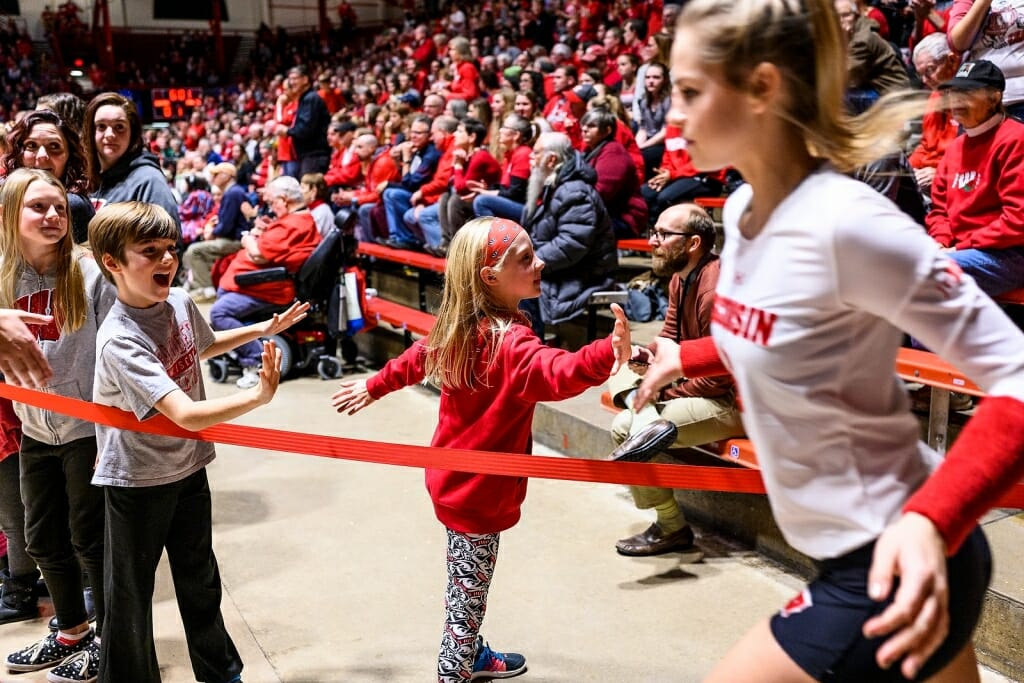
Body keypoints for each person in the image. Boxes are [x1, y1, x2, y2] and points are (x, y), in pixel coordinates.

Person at [631, 0, 1024, 680]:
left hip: (900, 553)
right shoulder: (741, 211)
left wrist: (933, 520)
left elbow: (1017, 377)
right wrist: (684, 353)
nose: (674, 116)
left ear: (762, 87)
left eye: (691, 91)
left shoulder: (850, 223)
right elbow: (775, 324)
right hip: (867, 551)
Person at [330, 216, 633, 682]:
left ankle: (469, 652)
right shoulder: (509, 341)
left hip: (453, 481)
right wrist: (606, 353)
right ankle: (457, 666)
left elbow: (416, 357)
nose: (541, 263)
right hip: (478, 491)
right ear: (490, 277)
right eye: (526, 259)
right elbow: (556, 372)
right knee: (467, 593)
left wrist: (375, 386)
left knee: (465, 582)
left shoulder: (461, 325)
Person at [87, 201, 308, 683]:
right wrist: (257, 396)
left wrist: (261, 329)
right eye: (149, 251)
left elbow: (201, 345)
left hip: (189, 467)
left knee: (201, 580)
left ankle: (222, 673)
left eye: (171, 248)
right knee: (129, 596)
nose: (167, 260)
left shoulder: (181, 302)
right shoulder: (120, 339)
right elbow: (184, 414)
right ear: (112, 263)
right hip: (137, 481)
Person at [0, 168, 113, 682]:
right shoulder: (3, 277)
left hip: (87, 428)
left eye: (60, 209)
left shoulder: (89, 274)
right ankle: (71, 630)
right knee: (42, 539)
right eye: (38, 207)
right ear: (10, 215)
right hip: (32, 427)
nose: (51, 217)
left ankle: (111, 640)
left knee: (91, 542)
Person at [608, 204, 744, 556]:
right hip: (691, 382)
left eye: (663, 235)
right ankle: (647, 416)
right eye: (654, 232)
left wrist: (663, 385)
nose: (653, 241)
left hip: (728, 401)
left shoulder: (715, 290)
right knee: (617, 363)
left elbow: (718, 378)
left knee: (626, 428)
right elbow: (669, 339)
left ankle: (671, 528)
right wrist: (641, 355)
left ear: (693, 242)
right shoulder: (678, 277)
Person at [210, 176, 320, 389]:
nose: (270, 207)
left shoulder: (293, 224)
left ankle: (255, 359)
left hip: (268, 288)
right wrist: (267, 229)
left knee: (218, 313)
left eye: (271, 203)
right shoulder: (297, 219)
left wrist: (248, 239)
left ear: (284, 200)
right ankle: (238, 344)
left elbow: (258, 253)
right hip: (256, 284)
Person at [926, 59, 1024, 297]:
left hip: (1010, 253)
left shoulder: (1016, 140)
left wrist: (959, 247)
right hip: (962, 250)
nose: (955, 101)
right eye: (953, 92)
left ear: (994, 97)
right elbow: (939, 211)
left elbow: (1017, 220)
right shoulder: (954, 148)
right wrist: (940, 242)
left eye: (967, 92)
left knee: (931, 275)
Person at [521, 132, 617, 341]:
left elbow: (572, 243)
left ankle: (532, 353)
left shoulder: (574, 190)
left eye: (536, 153)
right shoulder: (555, 184)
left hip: (583, 272)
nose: (531, 157)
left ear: (552, 159)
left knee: (518, 284)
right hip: (563, 267)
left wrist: (530, 261)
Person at [83, 92, 180, 234]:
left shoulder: (149, 181)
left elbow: (170, 246)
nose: (109, 134)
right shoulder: (86, 178)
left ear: (132, 133)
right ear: (91, 132)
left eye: (119, 127)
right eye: (101, 126)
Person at [1, 109, 95, 244]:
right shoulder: (4, 191)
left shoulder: (73, 205)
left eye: (54, 146)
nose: (42, 156)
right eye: (31, 145)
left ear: (70, 156)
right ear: (18, 154)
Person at [182, 162, 252, 304]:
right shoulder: (234, 192)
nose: (213, 178)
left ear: (226, 176)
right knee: (194, 251)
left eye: (216, 174)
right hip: (233, 237)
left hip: (235, 240)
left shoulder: (233, 193)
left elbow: (226, 227)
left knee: (194, 251)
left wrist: (212, 232)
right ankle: (202, 287)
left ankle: (207, 290)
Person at [908, 33, 963, 201]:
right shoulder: (935, 96)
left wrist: (941, 174)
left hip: (956, 180)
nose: (925, 80)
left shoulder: (971, 101)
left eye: (930, 70)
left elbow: (975, 160)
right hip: (927, 176)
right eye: (920, 74)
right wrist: (907, 170)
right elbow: (926, 146)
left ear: (952, 61)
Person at [580, 107, 648, 237]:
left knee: (574, 227)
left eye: (591, 126)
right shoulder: (591, 150)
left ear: (607, 131)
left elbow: (601, 192)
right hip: (603, 213)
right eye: (583, 125)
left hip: (626, 219)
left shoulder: (614, 153)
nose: (584, 129)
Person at [281, 65, 332, 175]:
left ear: (305, 79)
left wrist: (287, 131)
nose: (291, 82)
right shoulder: (305, 99)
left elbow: (305, 129)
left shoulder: (310, 99)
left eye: (295, 78)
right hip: (308, 155)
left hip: (314, 155)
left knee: (309, 190)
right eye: (290, 79)